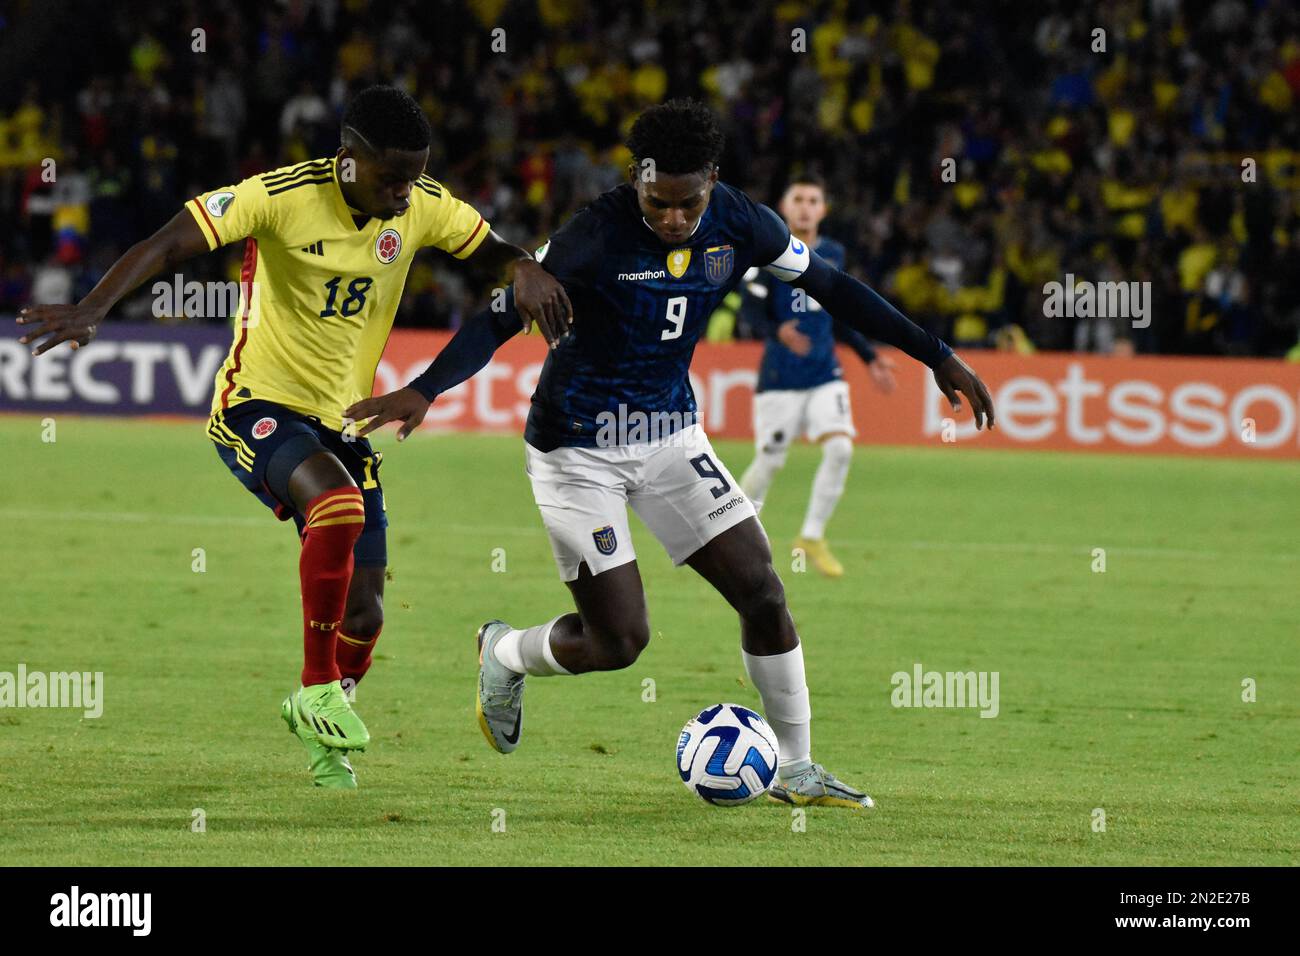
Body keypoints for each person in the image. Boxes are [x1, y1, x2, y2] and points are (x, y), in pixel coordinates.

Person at [345, 100, 995, 809]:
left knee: (764, 590)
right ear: (636, 181)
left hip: (671, 439)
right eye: (658, 202)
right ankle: (504, 651)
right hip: (576, 453)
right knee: (620, 641)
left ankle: (797, 768)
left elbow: (833, 289)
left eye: (690, 203)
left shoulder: (745, 223)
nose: (674, 218)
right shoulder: (592, 236)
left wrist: (936, 354)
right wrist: (426, 388)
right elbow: (500, 317)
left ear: (713, 181)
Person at [15, 85, 571, 789]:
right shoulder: (280, 196)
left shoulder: (423, 203)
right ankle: (314, 686)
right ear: (347, 161)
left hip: (344, 420)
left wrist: (521, 265)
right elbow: (168, 243)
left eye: (413, 176)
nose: (404, 193)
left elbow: (494, 249)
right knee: (336, 506)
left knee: (365, 615)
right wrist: (95, 307)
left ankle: (324, 727)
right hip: (257, 404)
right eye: (391, 178)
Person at [739, 178, 898, 577]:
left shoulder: (833, 253)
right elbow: (750, 312)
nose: (806, 207)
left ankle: (810, 536)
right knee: (770, 460)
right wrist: (779, 331)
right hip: (779, 378)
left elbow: (841, 313)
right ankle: (731, 531)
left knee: (841, 448)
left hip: (826, 373)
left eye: (814, 200)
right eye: (798, 200)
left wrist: (868, 355)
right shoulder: (765, 253)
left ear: (823, 210)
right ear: (784, 207)